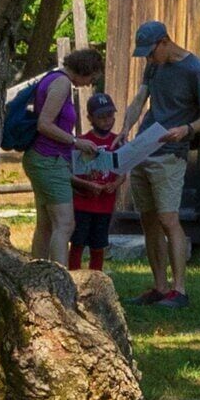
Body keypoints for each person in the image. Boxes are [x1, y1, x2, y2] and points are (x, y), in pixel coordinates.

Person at [129, 19, 200, 308]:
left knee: (168, 219)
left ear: (165, 42)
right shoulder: (154, 65)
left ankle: (179, 291)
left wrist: (187, 129)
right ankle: (159, 287)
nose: (148, 57)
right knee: (148, 220)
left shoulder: (195, 69)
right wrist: (124, 130)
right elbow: (141, 97)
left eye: (151, 51)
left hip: (172, 151)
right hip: (144, 147)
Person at [21, 45, 100, 269]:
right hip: (48, 159)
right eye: (91, 79)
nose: (89, 84)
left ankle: (37, 274)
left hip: (45, 159)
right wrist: (76, 141)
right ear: (85, 69)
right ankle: (59, 276)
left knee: (46, 224)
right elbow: (44, 124)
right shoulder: (62, 83)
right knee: (65, 223)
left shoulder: (54, 79)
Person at [67, 92, 125, 271]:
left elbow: (123, 171)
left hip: (105, 204)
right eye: (101, 117)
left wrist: (115, 184)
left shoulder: (117, 142)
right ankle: (74, 275)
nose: (107, 120)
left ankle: (96, 277)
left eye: (110, 115)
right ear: (90, 118)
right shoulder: (83, 142)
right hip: (83, 203)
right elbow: (70, 173)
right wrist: (87, 185)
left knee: (98, 245)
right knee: (77, 242)